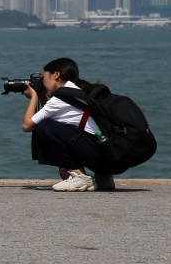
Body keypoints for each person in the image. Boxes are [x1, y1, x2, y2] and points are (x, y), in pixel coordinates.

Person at [20, 57, 114, 192]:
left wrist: (34, 97)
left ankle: (80, 176)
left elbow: (27, 126)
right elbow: (56, 115)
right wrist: (41, 96)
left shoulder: (59, 100)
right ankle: (103, 179)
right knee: (54, 125)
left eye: (44, 78)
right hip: (106, 155)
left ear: (56, 75)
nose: (43, 82)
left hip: (95, 152)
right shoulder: (78, 92)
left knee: (43, 126)